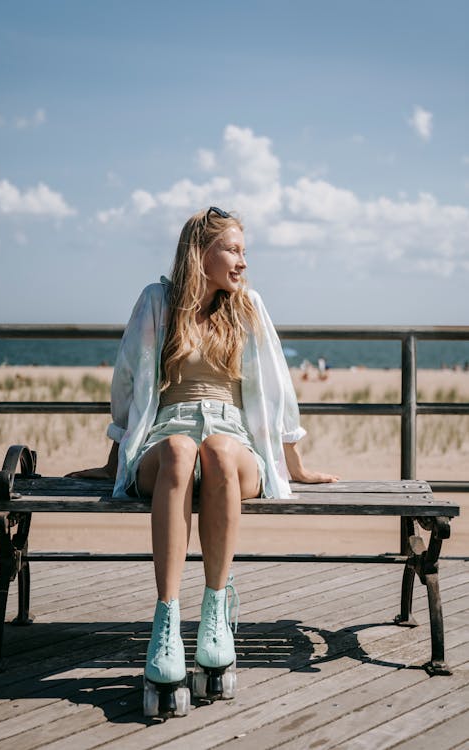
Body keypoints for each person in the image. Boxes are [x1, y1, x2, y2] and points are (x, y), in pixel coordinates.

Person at [68, 207, 338, 716]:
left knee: (213, 448)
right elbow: (127, 385)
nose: (243, 261)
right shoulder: (157, 302)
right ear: (202, 252)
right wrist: (114, 461)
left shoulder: (248, 306)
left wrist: (292, 462)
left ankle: (215, 615)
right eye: (233, 250)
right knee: (180, 448)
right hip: (167, 435)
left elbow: (278, 391)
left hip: (234, 442)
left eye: (243, 250)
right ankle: (166, 623)